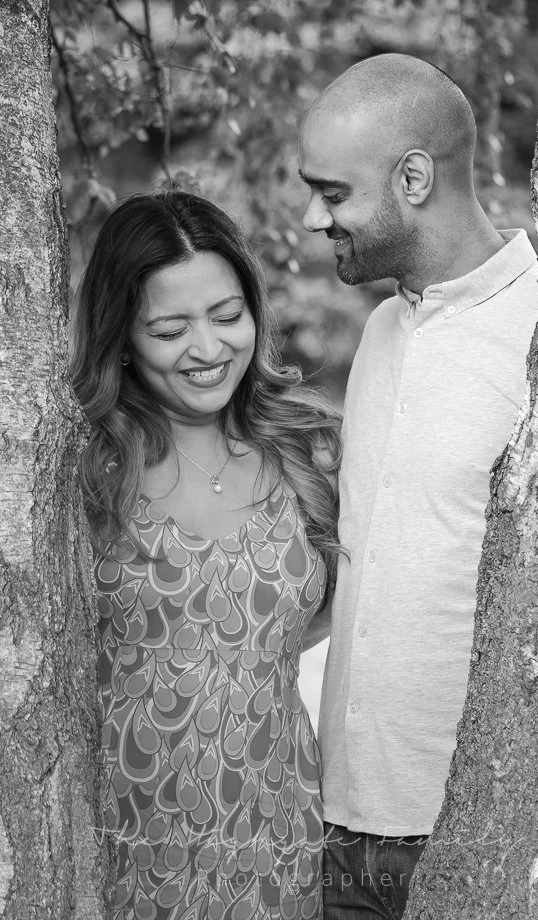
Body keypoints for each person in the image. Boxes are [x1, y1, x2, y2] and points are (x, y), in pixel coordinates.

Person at [298, 53, 538, 919]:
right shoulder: (379, 333)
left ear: (412, 178)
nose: (310, 218)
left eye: (331, 193)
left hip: (474, 836)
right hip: (339, 825)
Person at [71, 190, 342, 920]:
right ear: (121, 335)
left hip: (276, 845)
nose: (208, 348)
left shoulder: (307, 451)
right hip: (120, 855)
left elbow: (320, 623)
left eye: (227, 316)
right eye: (169, 329)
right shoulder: (80, 470)